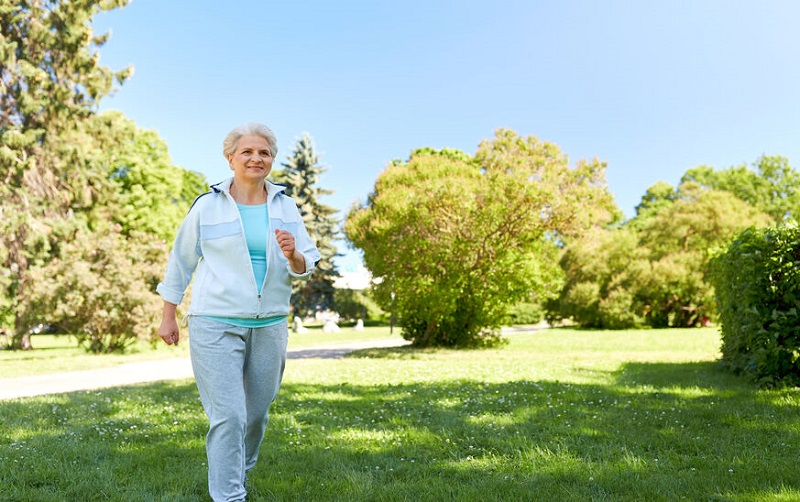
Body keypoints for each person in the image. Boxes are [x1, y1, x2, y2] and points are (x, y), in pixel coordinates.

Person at [156, 122, 320, 501]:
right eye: (247, 151)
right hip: (215, 322)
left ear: (271, 161)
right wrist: (168, 313)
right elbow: (180, 261)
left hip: (270, 325)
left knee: (256, 416)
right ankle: (229, 495)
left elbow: (306, 262)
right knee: (229, 415)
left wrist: (293, 252)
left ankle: (238, 474)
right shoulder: (207, 206)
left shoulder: (285, 206)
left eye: (263, 152)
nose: (255, 158)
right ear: (230, 158)